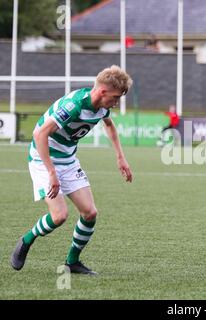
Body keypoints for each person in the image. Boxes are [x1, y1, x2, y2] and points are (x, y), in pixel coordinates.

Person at [10, 65, 134, 275]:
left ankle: (72, 262)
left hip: (68, 160)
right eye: (114, 97)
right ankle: (26, 240)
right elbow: (40, 134)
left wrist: (120, 157)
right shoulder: (74, 105)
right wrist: (51, 173)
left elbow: (109, 125)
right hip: (43, 159)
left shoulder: (103, 106)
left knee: (90, 213)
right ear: (102, 92)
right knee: (59, 216)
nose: (116, 103)